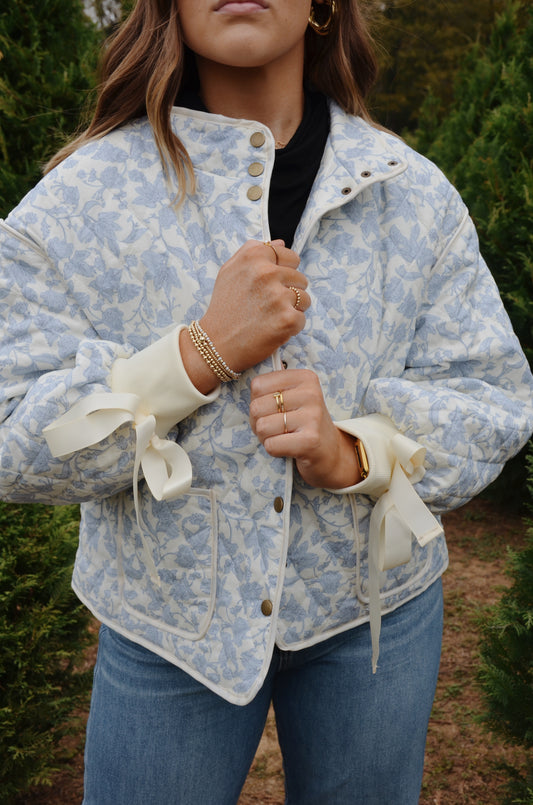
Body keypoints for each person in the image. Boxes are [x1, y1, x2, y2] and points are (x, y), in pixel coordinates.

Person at [1, 0, 532, 802]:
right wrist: (198, 354)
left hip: (374, 614)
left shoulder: (411, 194)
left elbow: (493, 392)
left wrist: (355, 450)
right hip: (167, 626)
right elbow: (9, 429)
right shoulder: (79, 202)